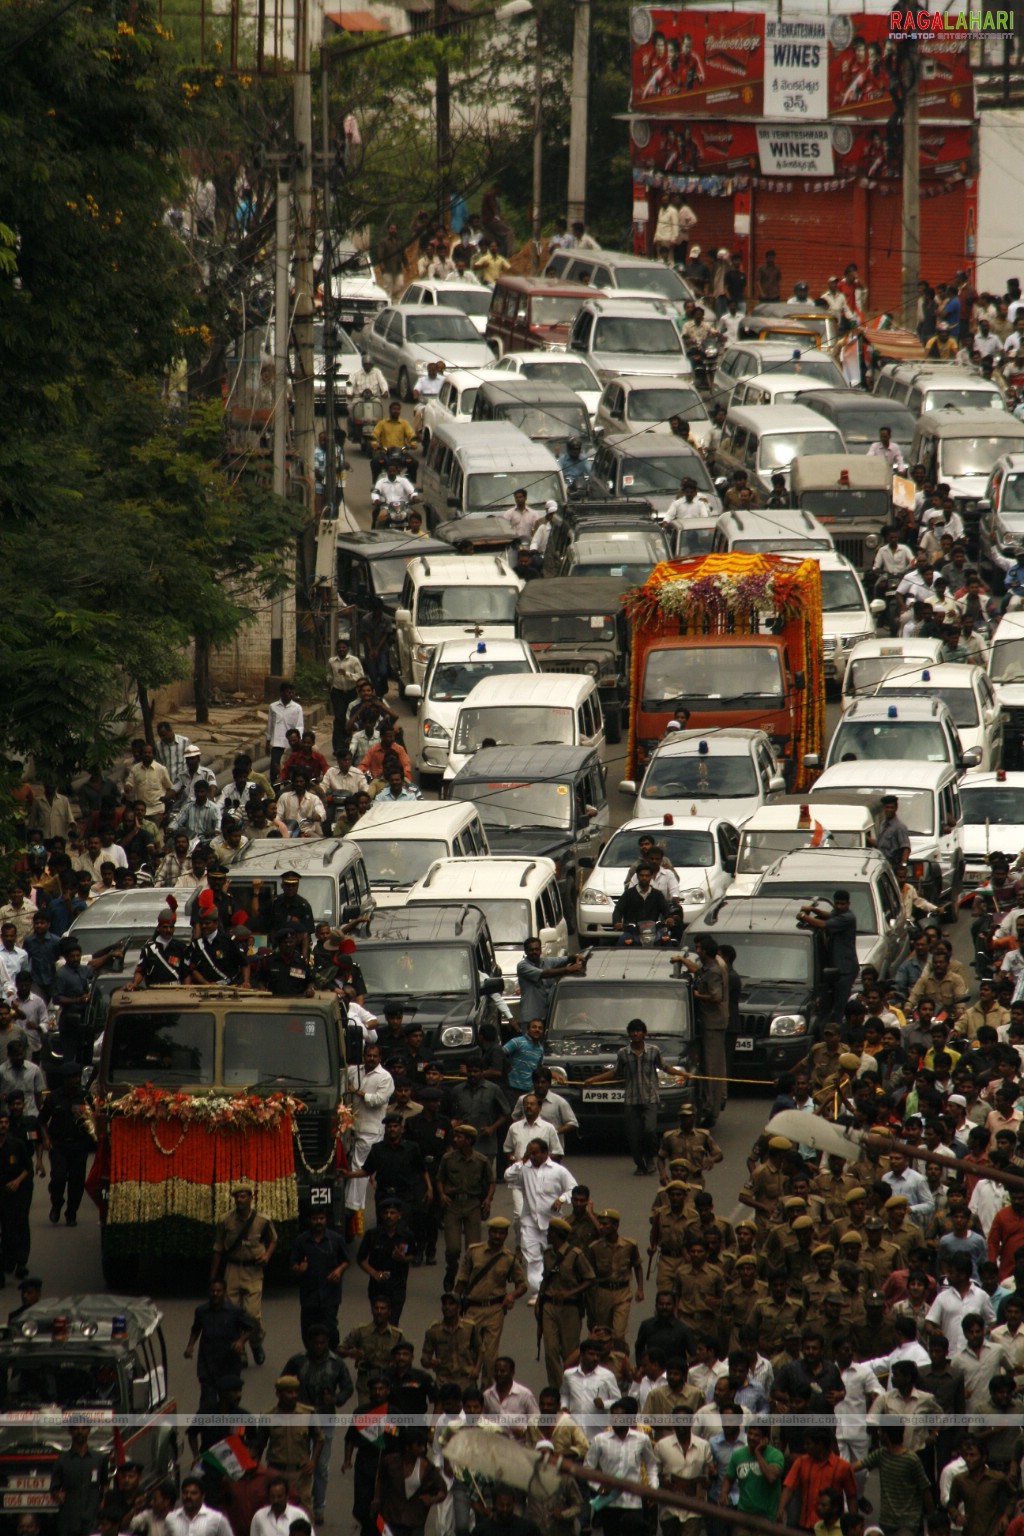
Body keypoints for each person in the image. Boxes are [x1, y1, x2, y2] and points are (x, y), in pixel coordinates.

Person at [585, 1019, 688, 1175]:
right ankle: (640, 1164)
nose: (636, 1033)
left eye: (639, 1030)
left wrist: (683, 1074)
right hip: (631, 1100)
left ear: (644, 1033)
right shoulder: (623, 1053)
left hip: (650, 1098)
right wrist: (593, 1080)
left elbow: (665, 1067)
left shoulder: (654, 1051)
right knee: (633, 1136)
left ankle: (651, 1159)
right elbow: (614, 1072)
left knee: (649, 1130)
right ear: (629, 1034)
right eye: (633, 1031)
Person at [211, 1181, 276, 1368]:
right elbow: (218, 1249)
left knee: (252, 1314)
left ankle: (255, 1343)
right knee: (233, 1314)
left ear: (250, 1197)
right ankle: (240, 1352)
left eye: (243, 1196)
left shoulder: (262, 1220)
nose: (240, 1200)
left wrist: (267, 1255)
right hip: (232, 1269)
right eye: (237, 1197)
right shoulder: (225, 1221)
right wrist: (214, 1277)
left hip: (253, 1271)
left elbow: (274, 1240)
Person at [583, 1399, 659, 1536]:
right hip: (609, 1503)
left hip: (633, 1503)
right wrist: (597, 1486)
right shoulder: (600, 1440)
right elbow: (587, 1468)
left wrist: (653, 1488)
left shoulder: (642, 1439)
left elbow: (651, 1465)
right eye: (614, 1416)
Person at [184, 1278, 253, 1413]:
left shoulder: (235, 1311)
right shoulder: (201, 1311)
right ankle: (206, 1429)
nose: (215, 1294)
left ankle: (229, 1430)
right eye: (212, 1291)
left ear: (224, 1292)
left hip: (229, 1363)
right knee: (207, 1402)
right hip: (207, 1362)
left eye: (218, 1291)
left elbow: (249, 1328)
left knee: (229, 1401)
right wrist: (190, 1346)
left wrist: (240, 1341)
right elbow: (196, 1329)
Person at [797, 891, 859, 1023]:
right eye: (837, 903)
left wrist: (804, 916)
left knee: (839, 1006)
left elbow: (823, 924)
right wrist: (814, 910)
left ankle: (838, 1030)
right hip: (837, 968)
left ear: (848, 904)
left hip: (845, 969)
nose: (839, 906)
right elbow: (828, 916)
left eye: (843, 904)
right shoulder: (838, 913)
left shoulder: (848, 917)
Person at [52, 1426, 108, 1536]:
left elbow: (105, 1484)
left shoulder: (99, 1459)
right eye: (76, 1429)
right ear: (70, 1431)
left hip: (93, 1518)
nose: (80, 1432)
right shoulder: (61, 1460)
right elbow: (54, 1488)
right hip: (69, 1520)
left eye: (84, 1428)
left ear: (89, 1430)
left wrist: (103, 1502)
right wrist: (57, 1494)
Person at [516, 939, 584, 1025]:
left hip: (548, 1016)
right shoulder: (522, 966)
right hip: (531, 1018)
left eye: (537, 949)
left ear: (540, 950)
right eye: (531, 950)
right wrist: (568, 969)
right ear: (526, 951)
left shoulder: (547, 961)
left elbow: (565, 959)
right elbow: (544, 974)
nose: (534, 952)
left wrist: (575, 957)